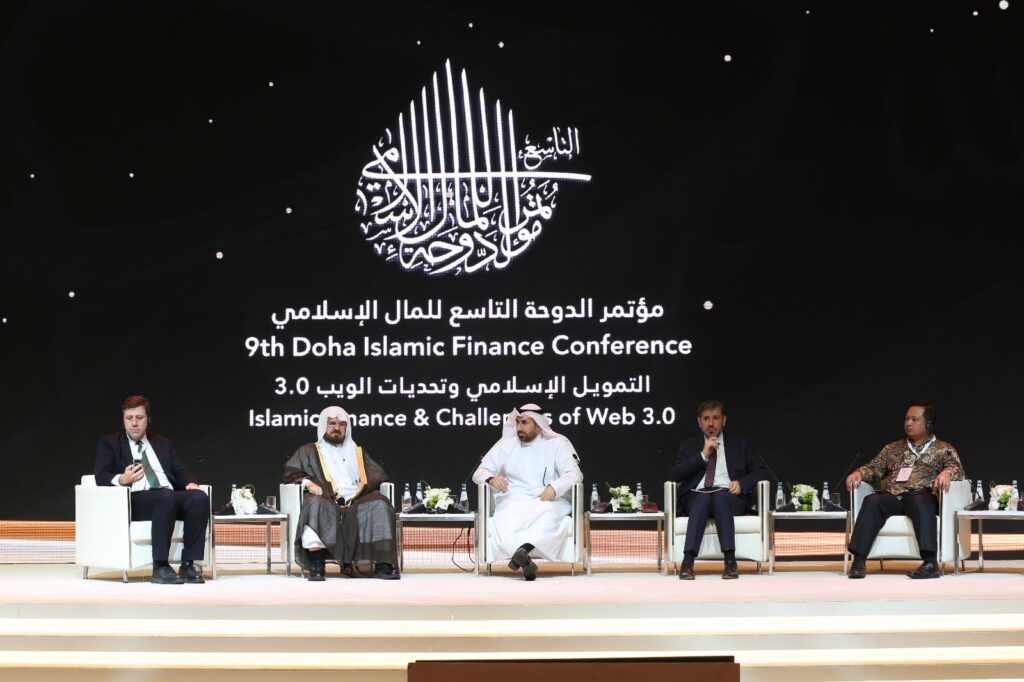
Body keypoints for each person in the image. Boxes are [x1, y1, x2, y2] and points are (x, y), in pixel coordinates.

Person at [94, 395, 210, 584]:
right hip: (138, 500)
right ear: (123, 420)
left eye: (139, 418)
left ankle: (188, 564)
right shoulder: (110, 443)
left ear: (148, 419)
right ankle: (160, 566)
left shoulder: (162, 443)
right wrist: (122, 479)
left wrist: (191, 483)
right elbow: (101, 475)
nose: (134, 423)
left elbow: (179, 470)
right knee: (166, 497)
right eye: (129, 418)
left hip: (167, 495)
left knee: (199, 498)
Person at [846, 400, 964, 579]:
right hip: (894, 495)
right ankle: (859, 561)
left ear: (928, 424)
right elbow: (875, 468)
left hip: (922, 495)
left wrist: (946, 473)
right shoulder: (893, 448)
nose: (908, 423)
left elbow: (957, 470)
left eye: (914, 419)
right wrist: (859, 473)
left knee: (920, 502)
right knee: (872, 500)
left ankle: (930, 563)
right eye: (906, 419)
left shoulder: (943, 449)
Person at [282, 406, 399, 581]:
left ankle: (383, 564)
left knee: (380, 503)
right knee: (314, 503)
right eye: (332, 423)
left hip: (356, 500)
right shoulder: (308, 451)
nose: (337, 428)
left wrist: (365, 487)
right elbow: (290, 472)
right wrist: (308, 483)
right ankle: (316, 563)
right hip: (326, 498)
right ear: (324, 425)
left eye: (342, 424)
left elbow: (377, 475)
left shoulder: (357, 451)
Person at [472, 404, 583, 581]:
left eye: (524, 423)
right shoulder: (506, 444)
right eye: (517, 422)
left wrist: (554, 486)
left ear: (539, 426)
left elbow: (574, 474)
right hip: (513, 499)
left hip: (546, 500)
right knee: (504, 519)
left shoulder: (557, 443)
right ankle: (524, 557)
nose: (519, 427)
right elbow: (480, 472)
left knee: (548, 515)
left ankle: (523, 553)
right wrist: (491, 478)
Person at [669, 400, 767, 580]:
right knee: (704, 498)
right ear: (699, 422)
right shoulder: (688, 446)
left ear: (724, 420)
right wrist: (702, 455)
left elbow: (761, 471)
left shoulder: (740, 444)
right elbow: (675, 474)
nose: (711, 423)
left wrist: (742, 483)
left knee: (719, 496)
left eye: (715, 418)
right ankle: (688, 562)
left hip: (729, 497)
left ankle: (730, 562)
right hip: (697, 497)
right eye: (706, 418)